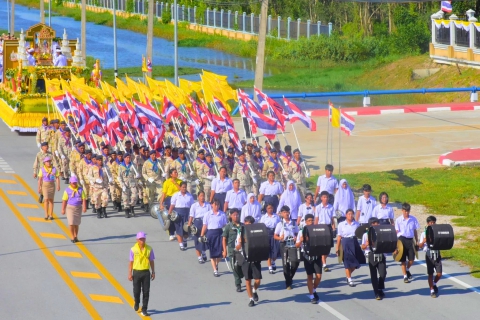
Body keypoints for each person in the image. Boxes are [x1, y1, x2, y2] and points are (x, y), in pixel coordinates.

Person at [236, 216, 262, 307]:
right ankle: (251, 299)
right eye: (246, 223)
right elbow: (237, 247)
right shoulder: (241, 232)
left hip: (255, 258)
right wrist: (240, 242)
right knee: (247, 280)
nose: (248, 225)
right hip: (245, 258)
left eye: (250, 224)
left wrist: (247, 240)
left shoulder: (257, 232)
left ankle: (254, 290)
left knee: (258, 280)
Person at [296, 213, 321, 304]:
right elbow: (297, 245)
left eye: (312, 220)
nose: (311, 222)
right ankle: (311, 296)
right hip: (307, 256)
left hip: (317, 255)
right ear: (306, 222)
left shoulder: (317, 230)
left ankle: (313, 289)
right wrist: (302, 240)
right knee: (310, 276)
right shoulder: (301, 231)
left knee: (318, 276)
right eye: (309, 221)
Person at [336, 209, 365, 287]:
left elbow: (361, 235)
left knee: (357, 262)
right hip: (345, 242)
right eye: (349, 214)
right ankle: (349, 279)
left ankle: (348, 275)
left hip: (354, 242)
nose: (350, 215)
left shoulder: (357, 224)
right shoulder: (341, 224)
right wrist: (337, 248)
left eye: (352, 214)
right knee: (347, 262)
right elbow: (339, 237)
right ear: (346, 215)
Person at [128, 232, 155, 317]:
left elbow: (151, 261)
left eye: (143, 238)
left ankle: (144, 309)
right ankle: (136, 302)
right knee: (136, 291)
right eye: (140, 239)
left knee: (146, 292)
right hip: (136, 272)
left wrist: (153, 271)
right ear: (137, 240)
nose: (142, 240)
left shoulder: (149, 249)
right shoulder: (133, 249)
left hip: (146, 272)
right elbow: (131, 262)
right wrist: (130, 273)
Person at [200, 199, 228, 277]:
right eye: (215, 205)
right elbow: (205, 226)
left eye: (218, 205)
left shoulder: (222, 214)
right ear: (212, 205)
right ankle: (215, 270)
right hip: (211, 234)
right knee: (212, 253)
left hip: (219, 233)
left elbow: (225, 225)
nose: (217, 206)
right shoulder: (207, 214)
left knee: (220, 253)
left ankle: (216, 264)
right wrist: (202, 235)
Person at [361, 217, 387, 300]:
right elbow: (362, 247)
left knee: (383, 273)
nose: (376, 224)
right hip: (371, 255)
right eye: (374, 223)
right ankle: (376, 292)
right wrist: (367, 244)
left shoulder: (382, 233)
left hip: (381, 254)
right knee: (373, 275)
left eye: (377, 223)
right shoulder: (366, 234)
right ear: (370, 225)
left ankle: (380, 288)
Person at [274, 205, 299, 289]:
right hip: (284, 244)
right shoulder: (280, 224)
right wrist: (280, 238)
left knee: (295, 261)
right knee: (285, 264)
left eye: (287, 212)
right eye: (284, 212)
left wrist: (296, 237)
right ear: (281, 214)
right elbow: (275, 236)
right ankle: (288, 283)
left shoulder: (294, 223)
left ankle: (290, 276)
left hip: (292, 243)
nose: (286, 214)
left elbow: (297, 233)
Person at [394, 202, 420, 284]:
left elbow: (415, 230)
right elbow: (396, 232)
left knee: (412, 259)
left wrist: (417, 241)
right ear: (402, 210)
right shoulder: (398, 220)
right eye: (405, 211)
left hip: (410, 240)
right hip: (401, 240)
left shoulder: (413, 219)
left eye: (408, 211)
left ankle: (407, 269)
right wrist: (395, 245)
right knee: (403, 260)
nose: (407, 213)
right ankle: (405, 276)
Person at [418, 215, 442, 298]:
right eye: (431, 222)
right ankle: (431, 290)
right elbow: (419, 246)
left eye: (434, 222)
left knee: (439, 273)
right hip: (429, 255)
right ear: (427, 223)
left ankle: (434, 283)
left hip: (437, 254)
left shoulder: (437, 232)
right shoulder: (423, 233)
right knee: (430, 274)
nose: (432, 224)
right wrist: (424, 241)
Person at [222, 209, 244, 292]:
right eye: (234, 215)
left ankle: (241, 275)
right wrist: (224, 250)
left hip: (241, 250)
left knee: (241, 266)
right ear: (230, 216)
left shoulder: (242, 226)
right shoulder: (228, 227)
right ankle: (238, 284)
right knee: (234, 267)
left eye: (237, 215)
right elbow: (224, 239)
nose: (236, 216)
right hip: (232, 250)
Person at [169, 182, 194, 251]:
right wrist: (169, 213)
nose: (184, 188)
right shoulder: (176, 195)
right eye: (183, 187)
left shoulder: (189, 196)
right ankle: (181, 245)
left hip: (187, 213)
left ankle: (185, 240)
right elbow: (172, 205)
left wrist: (193, 216)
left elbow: (192, 207)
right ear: (180, 187)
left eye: (185, 187)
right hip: (178, 214)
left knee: (187, 230)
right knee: (179, 229)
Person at [61, 176, 87, 243]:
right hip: (70, 208)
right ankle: (72, 236)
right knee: (71, 223)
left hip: (78, 208)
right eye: (73, 183)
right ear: (70, 183)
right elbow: (64, 200)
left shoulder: (80, 190)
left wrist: (84, 207)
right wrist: (63, 209)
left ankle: (76, 235)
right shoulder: (67, 190)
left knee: (76, 223)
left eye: (75, 183)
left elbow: (84, 198)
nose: (74, 184)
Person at [314, 191, 335, 271]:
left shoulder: (331, 207)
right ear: (321, 198)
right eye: (324, 197)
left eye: (327, 197)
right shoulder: (318, 207)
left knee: (328, 246)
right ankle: (324, 263)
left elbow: (332, 219)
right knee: (323, 245)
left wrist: (334, 229)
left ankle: (323, 259)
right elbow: (316, 219)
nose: (325, 199)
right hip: (320, 227)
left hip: (328, 227)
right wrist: (314, 230)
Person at [160, 168, 182, 241]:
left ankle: (178, 232)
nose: (176, 173)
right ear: (171, 174)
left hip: (178, 199)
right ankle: (171, 233)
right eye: (174, 172)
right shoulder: (167, 182)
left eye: (177, 172)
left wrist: (175, 183)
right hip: (169, 199)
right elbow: (164, 194)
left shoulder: (180, 181)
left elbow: (182, 190)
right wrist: (161, 203)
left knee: (178, 216)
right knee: (170, 217)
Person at [188, 191, 211, 263]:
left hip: (205, 223)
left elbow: (210, 215)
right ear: (198, 197)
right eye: (201, 196)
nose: (202, 197)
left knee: (204, 239)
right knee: (197, 240)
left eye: (203, 196)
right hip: (197, 223)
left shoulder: (208, 205)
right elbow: (191, 216)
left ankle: (203, 252)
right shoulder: (194, 206)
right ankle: (199, 257)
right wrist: (189, 225)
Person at [260, 204, 281, 274]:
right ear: (266, 209)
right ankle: (270, 268)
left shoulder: (276, 217)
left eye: (271, 208)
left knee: (276, 250)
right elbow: (261, 227)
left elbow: (280, 225)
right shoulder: (263, 217)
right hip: (267, 233)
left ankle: (273, 261)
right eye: (269, 208)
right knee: (268, 251)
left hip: (275, 233)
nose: (270, 209)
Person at [119, 153, 139, 218]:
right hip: (125, 183)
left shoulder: (133, 165)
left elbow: (136, 174)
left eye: (129, 157)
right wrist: (122, 185)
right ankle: (127, 211)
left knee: (135, 196)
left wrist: (137, 176)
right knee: (125, 198)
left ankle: (132, 207)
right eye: (127, 157)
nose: (128, 159)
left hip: (132, 183)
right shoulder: (121, 166)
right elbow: (119, 177)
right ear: (124, 158)